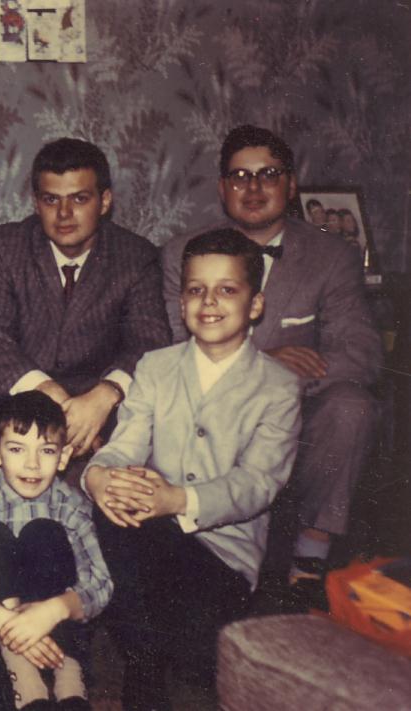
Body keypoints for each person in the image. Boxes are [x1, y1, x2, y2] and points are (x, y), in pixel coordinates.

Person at [161, 125, 381, 598]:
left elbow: (360, 353)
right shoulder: (182, 253)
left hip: (299, 413)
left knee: (352, 406)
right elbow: (175, 346)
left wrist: (279, 381)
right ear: (222, 189)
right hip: (212, 407)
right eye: (239, 176)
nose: (254, 188)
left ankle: (310, 557)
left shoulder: (332, 256)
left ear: (292, 184)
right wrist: (261, 362)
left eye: (268, 174)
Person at [85, 229, 302, 709]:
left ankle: (162, 650)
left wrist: (178, 500)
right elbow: (125, 445)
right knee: (112, 506)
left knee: (191, 651)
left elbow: (258, 483)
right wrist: (100, 477)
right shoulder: (156, 367)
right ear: (181, 301)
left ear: (256, 304)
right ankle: (143, 665)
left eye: (227, 289)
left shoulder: (279, 386)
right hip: (153, 536)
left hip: (221, 559)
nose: (209, 301)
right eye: (195, 289)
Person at [0, 138, 171, 461]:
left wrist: (105, 396)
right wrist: (50, 395)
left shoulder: (136, 256)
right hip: (15, 395)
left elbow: (150, 341)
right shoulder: (3, 246)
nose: (64, 214)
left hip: (98, 400)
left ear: (104, 201)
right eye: (51, 200)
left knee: (147, 432)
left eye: (79, 198)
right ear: (36, 203)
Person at [0, 391, 112, 711]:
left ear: (64, 457)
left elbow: (100, 581)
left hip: (57, 631)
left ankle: (69, 681)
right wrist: (6, 621)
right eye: (17, 449)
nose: (32, 464)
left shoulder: (71, 506)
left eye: (47, 450)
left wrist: (54, 610)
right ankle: (23, 676)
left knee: (44, 532)